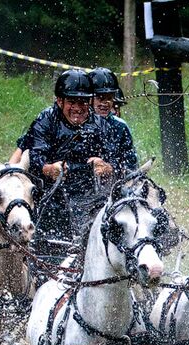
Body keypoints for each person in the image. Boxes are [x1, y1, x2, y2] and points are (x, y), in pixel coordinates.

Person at [21, 69, 121, 242]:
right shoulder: (45, 120)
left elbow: (118, 161)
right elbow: (35, 156)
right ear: (60, 101)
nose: (78, 108)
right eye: (72, 102)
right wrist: (48, 168)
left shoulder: (101, 125)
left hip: (90, 197)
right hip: (48, 195)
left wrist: (107, 167)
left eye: (83, 102)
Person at [87, 67, 138, 174]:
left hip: (113, 181)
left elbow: (131, 164)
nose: (105, 103)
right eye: (101, 98)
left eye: (109, 98)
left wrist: (110, 168)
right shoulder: (78, 122)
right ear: (89, 99)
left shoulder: (120, 126)